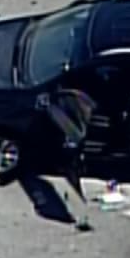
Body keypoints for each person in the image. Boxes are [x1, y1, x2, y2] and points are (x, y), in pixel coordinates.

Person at [45, 89, 97, 225]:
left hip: (72, 150)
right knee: (73, 175)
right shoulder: (80, 104)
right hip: (73, 149)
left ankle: (76, 209)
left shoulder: (70, 105)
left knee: (72, 175)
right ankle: (77, 208)